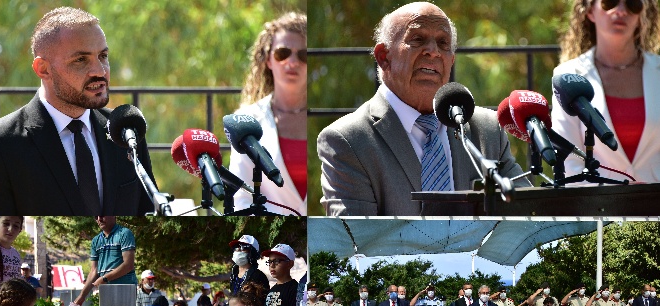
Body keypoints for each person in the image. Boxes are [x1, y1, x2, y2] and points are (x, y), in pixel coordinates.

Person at [317, 2, 529, 216]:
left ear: (451, 61)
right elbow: (356, 237)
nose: (433, 51)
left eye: (443, 43)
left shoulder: (488, 130)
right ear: (384, 57)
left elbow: (524, 213)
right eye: (418, 39)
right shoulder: (348, 141)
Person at [0, 7, 155, 215]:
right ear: (43, 69)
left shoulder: (126, 130)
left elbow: (146, 212)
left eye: (103, 56)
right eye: (80, 60)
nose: (100, 71)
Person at [553, 0, 660, 183]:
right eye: (609, 2)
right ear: (589, 12)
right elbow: (568, 161)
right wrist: (610, 200)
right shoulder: (567, 75)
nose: (621, 11)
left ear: (642, 15)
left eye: (632, 4)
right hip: (598, 208)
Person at [229, 12, 307, 216]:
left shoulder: (328, 116)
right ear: (268, 60)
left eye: (303, 54)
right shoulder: (247, 120)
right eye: (283, 53)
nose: (292, 61)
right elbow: (242, 198)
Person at [74, 216, 137, 306]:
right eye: (96, 217)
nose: (99, 219)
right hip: (106, 290)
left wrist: (105, 278)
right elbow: (94, 271)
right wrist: (82, 296)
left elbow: (128, 265)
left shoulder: (124, 233)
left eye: (102, 215)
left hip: (125, 289)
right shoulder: (96, 240)